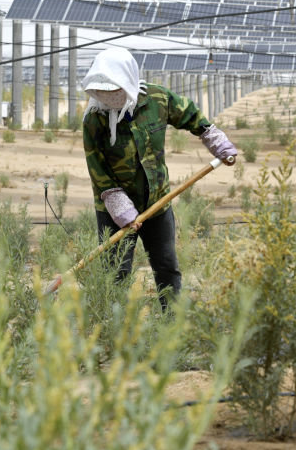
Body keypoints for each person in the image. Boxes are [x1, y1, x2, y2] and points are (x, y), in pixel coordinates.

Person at [81, 48, 238, 310]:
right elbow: (96, 167)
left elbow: (189, 115)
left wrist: (214, 138)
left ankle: (171, 323)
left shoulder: (157, 99)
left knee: (166, 267)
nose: (109, 96)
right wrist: (118, 204)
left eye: (115, 89)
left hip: (157, 202)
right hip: (114, 210)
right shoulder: (94, 118)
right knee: (115, 272)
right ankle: (113, 328)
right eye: (104, 90)